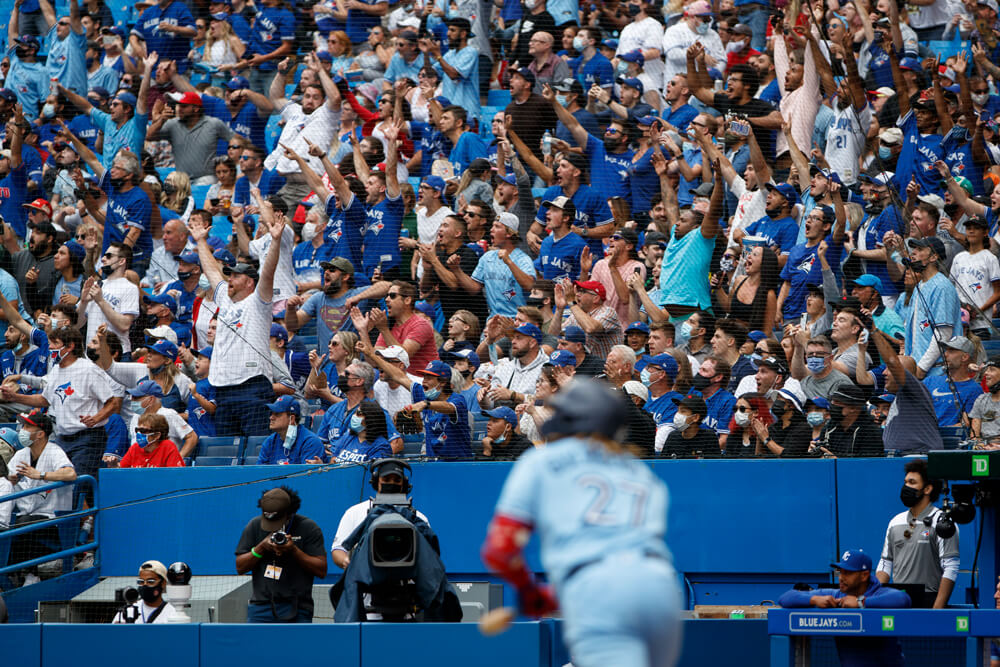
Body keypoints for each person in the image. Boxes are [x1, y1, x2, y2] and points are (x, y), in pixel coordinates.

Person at [482, 379, 682, 667]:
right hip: (659, 587)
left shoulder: (542, 461)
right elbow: (621, 555)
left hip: (596, 588)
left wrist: (530, 591)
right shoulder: (643, 475)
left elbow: (499, 550)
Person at [187, 196, 283, 438]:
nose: (230, 278)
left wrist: (275, 241)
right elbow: (211, 270)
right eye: (229, 275)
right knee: (226, 449)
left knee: (257, 447)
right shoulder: (224, 299)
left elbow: (268, 272)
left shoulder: (259, 301)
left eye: (236, 276)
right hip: (223, 390)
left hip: (252, 386)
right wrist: (200, 242)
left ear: (250, 282)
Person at [2, 327, 115, 480]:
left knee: (79, 484)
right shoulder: (56, 370)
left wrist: (96, 418)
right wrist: (15, 397)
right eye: (49, 343)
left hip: (88, 438)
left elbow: (112, 402)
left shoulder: (89, 370)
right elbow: (44, 400)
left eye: (55, 343)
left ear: (70, 346)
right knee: (60, 486)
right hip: (62, 437)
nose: (50, 347)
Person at [778, 550, 909, 667]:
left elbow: (903, 599)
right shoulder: (837, 594)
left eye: (848, 573)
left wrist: (861, 602)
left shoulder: (879, 593)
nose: (841, 578)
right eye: (840, 572)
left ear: (864, 575)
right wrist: (814, 599)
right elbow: (786, 597)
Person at [235, 486, 327, 623]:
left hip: (297, 607)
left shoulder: (308, 527)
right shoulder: (254, 525)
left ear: (290, 513)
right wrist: (261, 548)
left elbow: (321, 570)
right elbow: (240, 567)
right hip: (261, 606)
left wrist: (294, 550)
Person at [876, 459, 960, 609]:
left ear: (927, 489)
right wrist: (876, 600)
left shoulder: (942, 522)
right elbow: (885, 563)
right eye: (905, 482)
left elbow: (951, 567)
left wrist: (937, 610)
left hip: (928, 600)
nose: (905, 486)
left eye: (912, 482)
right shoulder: (895, 522)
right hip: (898, 600)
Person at [5, 409, 75, 585]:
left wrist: (40, 475)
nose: (22, 429)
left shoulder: (54, 451)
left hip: (51, 518)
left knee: (24, 524)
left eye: (27, 426)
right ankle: (16, 573)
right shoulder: (21, 454)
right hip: (25, 515)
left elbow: (70, 474)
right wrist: (10, 479)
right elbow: (7, 479)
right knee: (15, 525)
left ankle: (30, 574)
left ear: (40, 434)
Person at [256, 395, 325, 465]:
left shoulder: (310, 442)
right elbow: (259, 473)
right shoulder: (269, 442)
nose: (271, 417)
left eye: (277, 414)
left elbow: (306, 474)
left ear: (291, 419)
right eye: (271, 414)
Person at [111, 560, 180, 623]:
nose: (145, 585)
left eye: (150, 582)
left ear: (163, 583)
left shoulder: (173, 614)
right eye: (141, 582)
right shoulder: (128, 611)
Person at [116, 412, 184, 469]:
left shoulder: (168, 446)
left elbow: (175, 475)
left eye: (143, 431)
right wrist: (114, 465)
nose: (139, 433)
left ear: (157, 435)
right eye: (137, 430)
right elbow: (121, 471)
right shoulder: (135, 447)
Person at [662, 391, 719, 458]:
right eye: (678, 411)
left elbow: (715, 466)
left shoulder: (708, 438)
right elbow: (662, 464)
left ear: (695, 417)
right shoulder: (673, 436)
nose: (677, 414)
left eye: (683, 411)